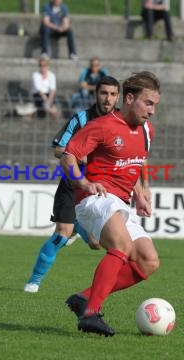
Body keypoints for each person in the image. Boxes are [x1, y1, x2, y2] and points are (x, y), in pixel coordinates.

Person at [60, 71, 160, 336]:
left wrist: (139, 194)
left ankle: (85, 298)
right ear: (129, 98)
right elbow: (68, 157)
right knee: (122, 246)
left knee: (148, 261)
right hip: (95, 198)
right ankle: (91, 314)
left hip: (122, 202)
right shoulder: (102, 125)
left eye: (155, 105)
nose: (152, 111)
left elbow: (135, 163)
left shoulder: (147, 129)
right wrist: (83, 183)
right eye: (148, 103)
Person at [24, 76, 121, 293]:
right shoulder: (81, 119)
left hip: (101, 187)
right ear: (96, 93)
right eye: (104, 93)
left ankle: (78, 226)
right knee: (61, 234)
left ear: (118, 97)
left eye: (113, 94)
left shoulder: (121, 121)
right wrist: (83, 157)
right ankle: (34, 281)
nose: (108, 98)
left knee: (97, 244)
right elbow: (59, 149)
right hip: (73, 182)